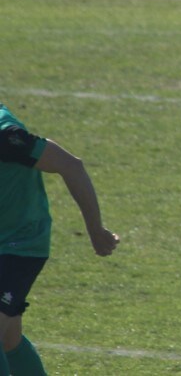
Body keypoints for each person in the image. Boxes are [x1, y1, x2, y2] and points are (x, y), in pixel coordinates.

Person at [1, 103, 119, 376]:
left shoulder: (7, 137)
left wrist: (96, 231)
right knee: (9, 340)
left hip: (20, 244)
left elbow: (70, 165)